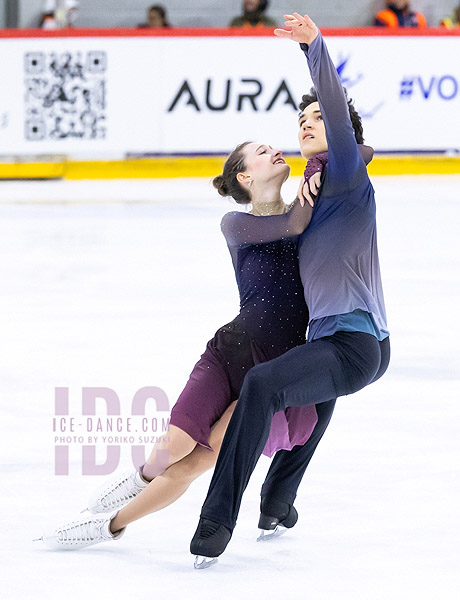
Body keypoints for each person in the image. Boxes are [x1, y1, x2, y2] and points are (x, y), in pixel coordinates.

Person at [39, 145, 355, 549]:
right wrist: (315, 167)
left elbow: (360, 151)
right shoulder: (237, 223)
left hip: (279, 374)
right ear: (245, 177)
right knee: (175, 444)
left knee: (196, 462)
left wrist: (321, 163)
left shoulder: (307, 212)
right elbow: (292, 225)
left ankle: (108, 526)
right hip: (231, 353)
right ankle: (141, 476)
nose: (276, 151)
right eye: (262, 152)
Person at [190, 12, 390, 566]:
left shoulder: (346, 172)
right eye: (301, 117)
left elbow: (343, 128)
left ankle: (213, 524)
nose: (306, 122)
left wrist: (314, 47)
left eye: (319, 116)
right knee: (316, 403)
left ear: (342, 130)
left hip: (355, 341)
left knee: (262, 387)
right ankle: (278, 503)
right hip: (347, 339)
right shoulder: (314, 184)